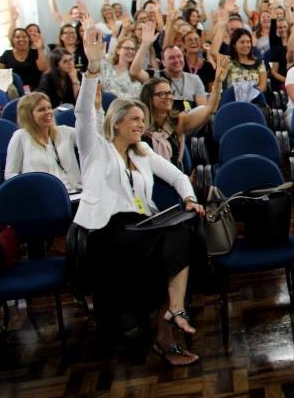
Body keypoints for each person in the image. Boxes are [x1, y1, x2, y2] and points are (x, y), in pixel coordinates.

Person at [76, 28, 205, 366]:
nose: (141, 124)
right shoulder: (95, 149)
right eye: (134, 119)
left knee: (183, 228)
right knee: (176, 242)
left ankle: (172, 315)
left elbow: (177, 175)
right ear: (116, 122)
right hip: (108, 232)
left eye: (143, 120)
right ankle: (169, 325)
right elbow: (82, 117)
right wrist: (92, 69)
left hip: (142, 226)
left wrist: (189, 198)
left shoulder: (143, 150)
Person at [140, 58, 229, 169]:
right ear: (149, 98)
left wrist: (218, 82)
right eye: (162, 94)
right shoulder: (139, 125)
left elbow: (210, 109)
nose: (169, 97)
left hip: (176, 179)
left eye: (170, 93)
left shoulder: (178, 122)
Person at [5, 92, 82, 192]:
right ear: (29, 115)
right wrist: (30, 188)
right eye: (42, 109)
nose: (48, 112)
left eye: (49, 108)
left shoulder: (65, 132)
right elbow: (10, 174)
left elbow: (93, 141)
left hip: (74, 192)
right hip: (40, 197)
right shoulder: (20, 137)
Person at [0, 27, 48, 91]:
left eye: (24, 37)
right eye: (17, 37)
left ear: (29, 39)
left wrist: (40, 48)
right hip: (14, 91)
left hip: (35, 89)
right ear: (13, 40)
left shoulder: (35, 52)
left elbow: (44, 68)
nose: (21, 39)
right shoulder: (7, 54)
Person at [157, 45, 207, 110]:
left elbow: (203, 109)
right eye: (171, 58)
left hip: (189, 118)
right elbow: (139, 72)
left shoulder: (195, 79)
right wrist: (145, 45)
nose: (177, 60)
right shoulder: (155, 76)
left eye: (179, 56)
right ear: (163, 62)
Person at [224, 28, 267, 93]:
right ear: (234, 45)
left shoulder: (260, 63)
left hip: (254, 99)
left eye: (248, 42)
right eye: (242, 42)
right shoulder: (228, 62)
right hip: (233, 100)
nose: (246, 45)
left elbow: (263, 86)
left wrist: (249, 95)